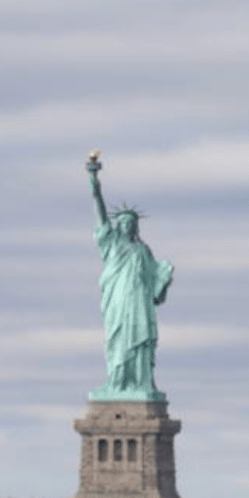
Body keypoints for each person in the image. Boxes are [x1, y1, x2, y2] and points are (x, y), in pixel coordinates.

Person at [87, 154, 173, 401]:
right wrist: (94, 179)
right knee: (118, 340)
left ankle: (141, 382)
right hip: (118, 301)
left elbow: (156, 285)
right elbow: (100, 212)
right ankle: (117, 381)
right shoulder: (111, 243)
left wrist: (164, 275)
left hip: (139, 302)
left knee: (141, 340)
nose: (126, 226)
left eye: (131, 223)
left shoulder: (143, 250)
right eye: (122, 222)